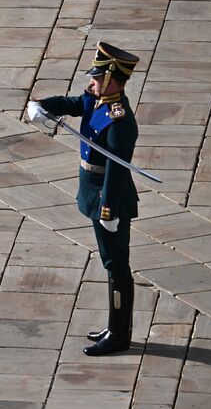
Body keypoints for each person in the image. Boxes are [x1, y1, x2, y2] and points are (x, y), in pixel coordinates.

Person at [27, 42, 141, 356]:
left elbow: (116, 170)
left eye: (98, 76)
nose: (92, 80)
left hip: (109, 198)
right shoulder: (97, 98)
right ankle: (114, 326)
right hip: (92, 191)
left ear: (112, 79)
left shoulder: (120, 121)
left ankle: (119, 335)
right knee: (110, 263)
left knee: (116, 265)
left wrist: (108, 208)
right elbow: (74, 103)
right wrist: (42, 105)